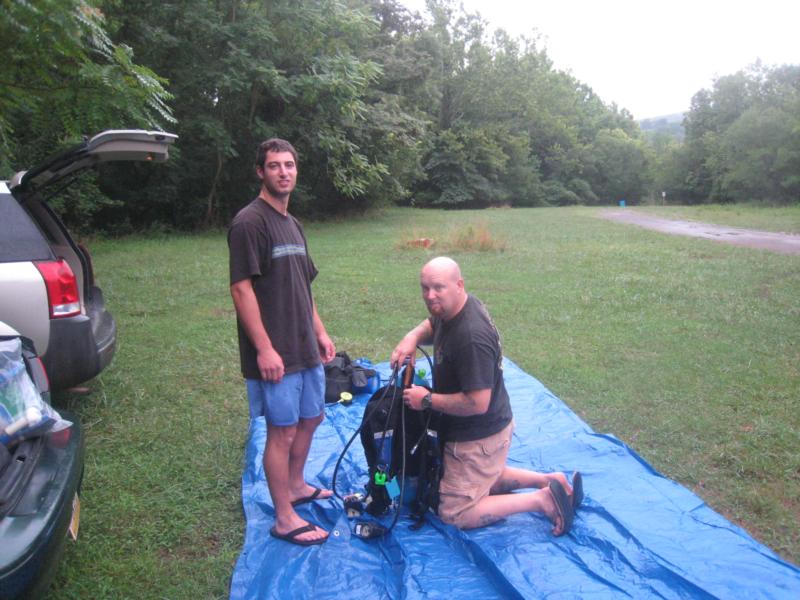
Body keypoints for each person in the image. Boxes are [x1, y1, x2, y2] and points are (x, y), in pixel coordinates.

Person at [391, 257, 582, 534]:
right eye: (425, 288)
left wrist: (427, 400)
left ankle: (541, 500)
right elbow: (433, 324)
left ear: (459, 285)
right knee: (483, 476)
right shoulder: (457, 307)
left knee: (455, 513)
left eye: (438, 288)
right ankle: (549, 480)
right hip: (491, 433)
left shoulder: (471, 337)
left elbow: (477, 403)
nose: (430, 296)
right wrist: (411, 337)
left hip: (478, 437)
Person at [228, 138, 335, 546]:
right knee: (282, 432)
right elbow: (241, 290)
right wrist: (264, 348)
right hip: (275, 352)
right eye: (274, 166)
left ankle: (295, 485)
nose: (283, 172)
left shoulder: (293, 224)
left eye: (289, 165)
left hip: (304, 345)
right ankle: (285, 519)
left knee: (312, 418)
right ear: (261, 171)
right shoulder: (249, 223)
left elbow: (302, 287)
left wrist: (321, 332)